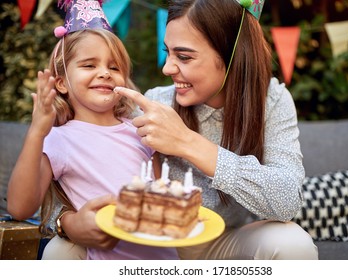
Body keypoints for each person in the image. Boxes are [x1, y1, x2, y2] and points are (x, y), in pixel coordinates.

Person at [46, 0, 319, 259]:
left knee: (293, 244)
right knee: (60, 251)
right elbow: (73, 162)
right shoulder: (153, 105)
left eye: (184, 57)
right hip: (152, 244)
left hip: (225, 245)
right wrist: (66, 222)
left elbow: (287, 201)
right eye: (168, 52)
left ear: (232, 55)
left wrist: (188, 142)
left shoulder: (271, 101)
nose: (167, 68)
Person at [6, 0, 178, 260]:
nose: (104, 73)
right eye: (89, 65)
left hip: (162, 260)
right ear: (61, 83)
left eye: (114, 67)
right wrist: (36, 133)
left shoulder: (140, 130)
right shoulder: (58, 139)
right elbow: (20, 208)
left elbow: (159, 195)